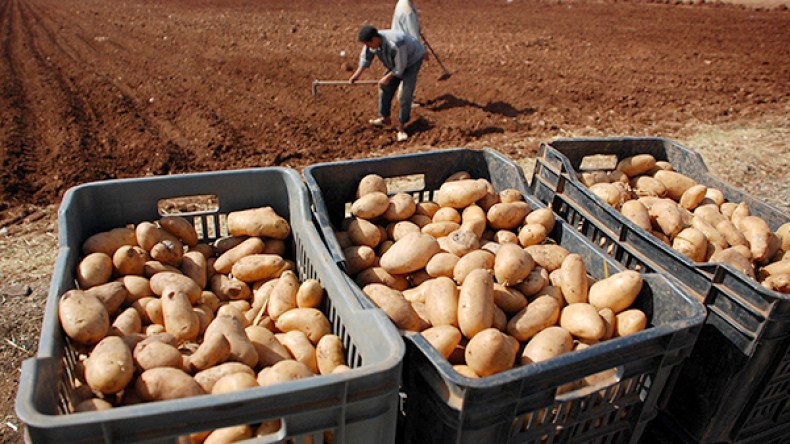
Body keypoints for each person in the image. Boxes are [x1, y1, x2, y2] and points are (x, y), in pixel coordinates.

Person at [349, 25, 426, 142]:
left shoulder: (396, 43)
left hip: (412, 61)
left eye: (368, 44)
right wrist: (357, 75)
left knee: (404, 94)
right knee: (384, 87)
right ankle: (385, 118)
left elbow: (400, 67)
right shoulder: (372, 43)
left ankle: (402, 127)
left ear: (375, 39)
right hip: (396, 62)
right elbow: (366, 57)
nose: (367, 47)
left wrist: (387, 77)